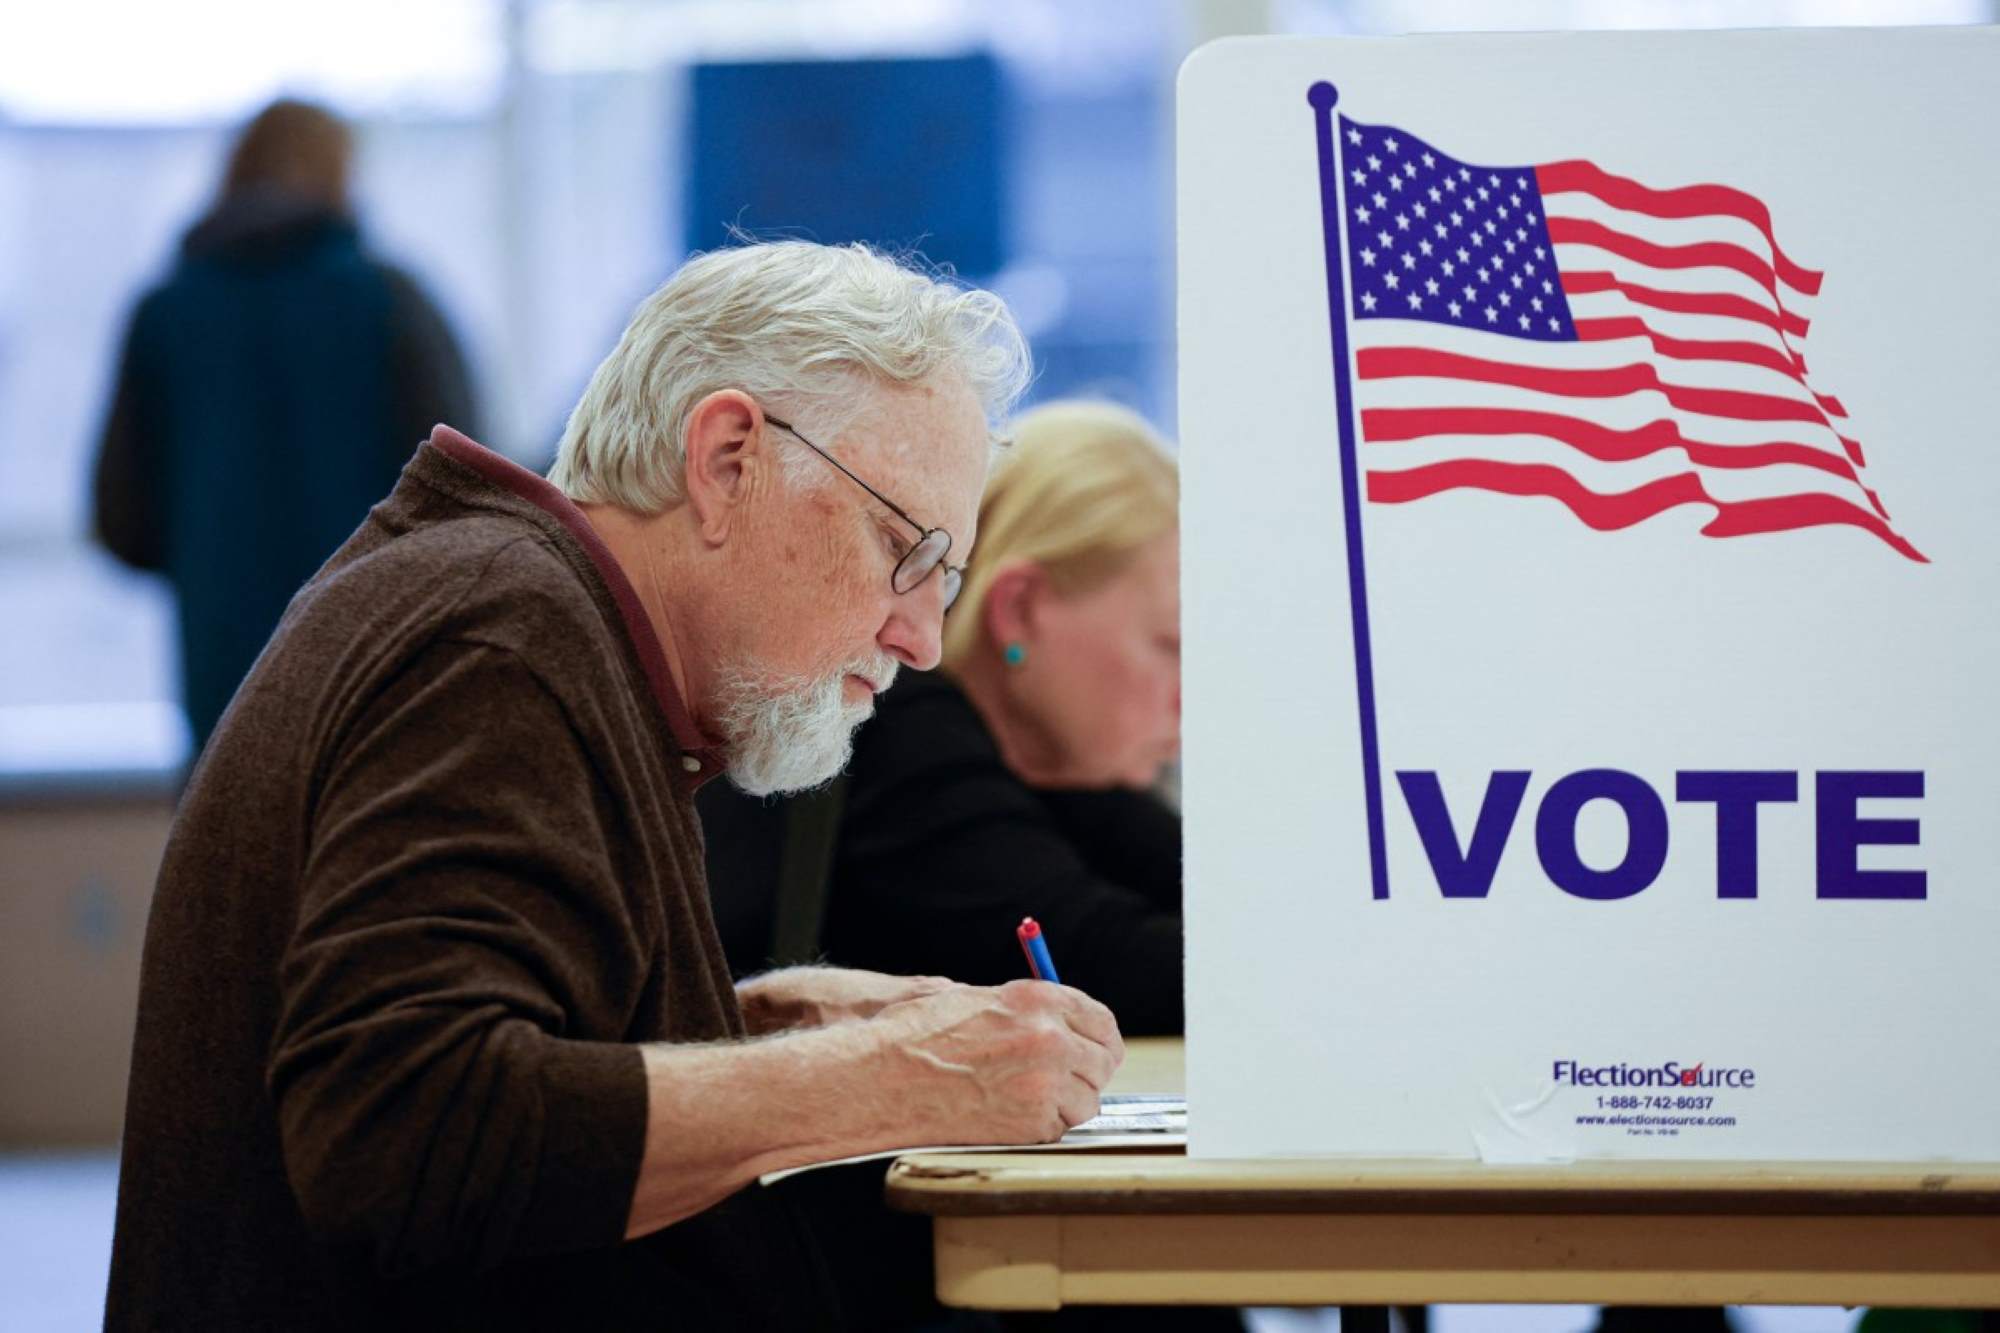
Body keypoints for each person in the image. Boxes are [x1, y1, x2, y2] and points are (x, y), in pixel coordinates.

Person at [104, 240, 1124, 1330]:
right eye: (901, 548)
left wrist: (760, 1025)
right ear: (728, 458)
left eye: (945, 577)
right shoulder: (499, 640)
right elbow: (407, 1126)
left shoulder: (513, 609)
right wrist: (890, 1075)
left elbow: (479, 1042)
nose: (921, 638)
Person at [91, 97, 478, 752]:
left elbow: (122, 523)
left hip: (224, 693)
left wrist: (215, 553)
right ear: (340, 174)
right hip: (378, 682)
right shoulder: (390, 304)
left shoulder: (164, 314)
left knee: (231, 849)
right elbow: (470, 501)